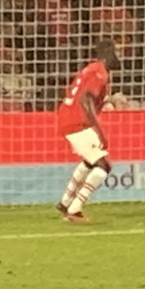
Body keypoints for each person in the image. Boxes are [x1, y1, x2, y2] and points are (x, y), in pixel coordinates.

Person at [54, 39, 122, 224]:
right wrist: (100, 131)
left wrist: (109, 100)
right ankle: (74, 210)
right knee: (104, 166)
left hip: (68, 119)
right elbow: (86, 100)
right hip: (77, 122)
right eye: (116, 51)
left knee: (90, 161)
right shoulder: (99, 72)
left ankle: (65, 202)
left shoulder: (91, 70)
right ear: (107, 54)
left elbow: (87, 96)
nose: (119, 55)